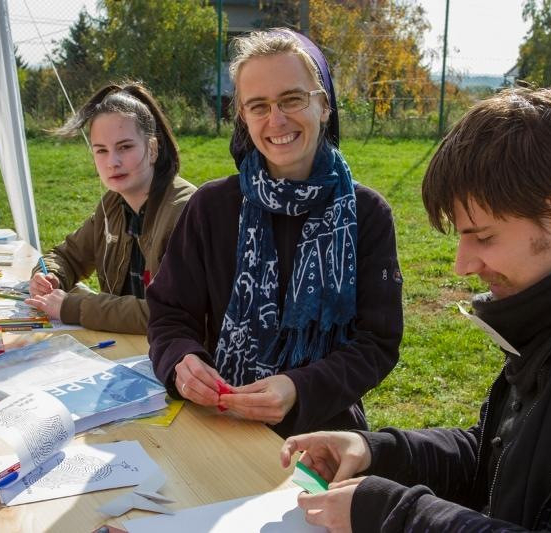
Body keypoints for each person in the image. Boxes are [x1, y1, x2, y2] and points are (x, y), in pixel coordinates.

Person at [280, 87, 551, 532]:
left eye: (483, 237)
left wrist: (395, 514)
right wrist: (376, 451)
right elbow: (500, 458)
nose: (462, 264)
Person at [146, 29, 403, 438]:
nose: (276, 119)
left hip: (322, 432)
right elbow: (169, 313)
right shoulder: (211, 207)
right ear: (243, 116)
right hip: (220, 420)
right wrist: (182, 361)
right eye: (259, 106)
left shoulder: (367, 214)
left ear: (324, 106)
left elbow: (377, 343)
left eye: (292, 99)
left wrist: (298, 387)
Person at [25, 82, 195, 333]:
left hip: (181, 352)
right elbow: (67, 256)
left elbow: (166, 311)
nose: (112, 162)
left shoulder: (185, 211)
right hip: (126, 347)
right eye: (101, 151)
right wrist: (50, 276)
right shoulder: (112, 204)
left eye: (125, 147)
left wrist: (74, 307)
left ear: (152, 149)